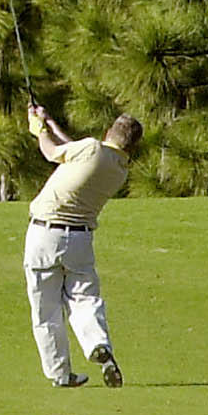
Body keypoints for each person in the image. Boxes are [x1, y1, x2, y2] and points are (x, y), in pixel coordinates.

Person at [22, 103, 143, 388]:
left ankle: (61, 374)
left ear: (107, 132)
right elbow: (75, 149)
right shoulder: (119, 167)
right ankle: (98, 345)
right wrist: (50, 123)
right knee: (85, 299)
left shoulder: (90, 148)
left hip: (44, 234)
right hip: (80, 240)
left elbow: (53, 153)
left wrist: (39, 129)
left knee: (47, 311)